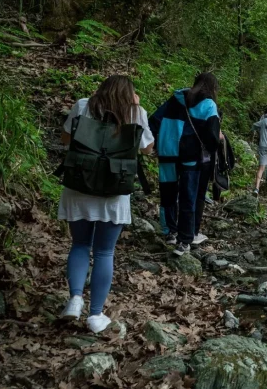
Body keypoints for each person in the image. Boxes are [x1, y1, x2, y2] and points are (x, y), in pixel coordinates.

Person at [58, 75, 154, 333]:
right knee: (104, 252)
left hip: (79, 185)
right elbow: (147, 149)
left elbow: (66, 139)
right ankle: (95, 315)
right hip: (114, 190)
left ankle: (75, 299)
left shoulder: (82, 105)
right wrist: (136, 107)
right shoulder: (136, 112)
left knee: (79, 244)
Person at [150, 73, 221, 257]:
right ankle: (184, 240)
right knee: (188, 197)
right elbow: (212, 136)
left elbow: (154, 121)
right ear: (213, 87)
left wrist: (156, 144)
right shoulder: (208, 104)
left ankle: (170, 232)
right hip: (190, 156)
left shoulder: (175, 99)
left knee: (167, 193)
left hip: (167, 152)